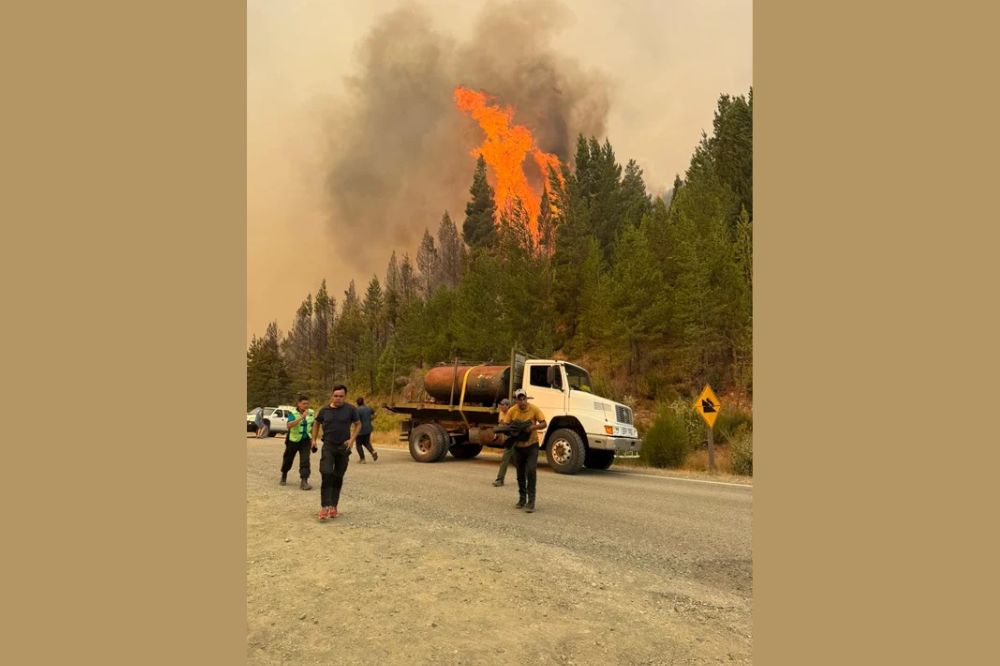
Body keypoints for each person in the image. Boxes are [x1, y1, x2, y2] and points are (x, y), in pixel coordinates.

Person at [311, 385, 360, 521]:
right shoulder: (324, 410)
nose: (338, 398)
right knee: (326, 473)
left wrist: (352, 440)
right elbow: (316, 423)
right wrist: (313, 439)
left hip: (343, 448)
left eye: (341, 396)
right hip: (329, 446)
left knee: (338, 476)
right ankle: (324, 506)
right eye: (336, 396)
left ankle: (333, 505)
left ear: (345, 396)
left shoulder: (350, 409)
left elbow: (358, 424)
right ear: (332, 396)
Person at [502, 388, 547, 513]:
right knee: (520, 473)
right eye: (519, 399)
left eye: (524, 398)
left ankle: (531, 501)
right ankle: (522, 499)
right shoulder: (512, 411)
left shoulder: (534, 409)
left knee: (531, 470)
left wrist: (532, 427)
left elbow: (544, 423)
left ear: (526, 398)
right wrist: (513, 431)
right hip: (518, 446)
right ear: (516, 400)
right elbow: (506, 425)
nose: (522, 401)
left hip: (532, 445)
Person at [280, 396, 315, 490]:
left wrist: (313, 440)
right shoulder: (293, 413)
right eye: (304, 403)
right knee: (288, 459)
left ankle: (304, 481)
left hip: (305, 440)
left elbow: (313, 426)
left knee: (305, 461)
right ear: (298, 404)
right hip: (293, 440)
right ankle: (284, 474)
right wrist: (301, 417)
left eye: (307, 403)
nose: (306, 405)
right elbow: (289, 425)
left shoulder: (311, 413)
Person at [492, 398, 513, 486]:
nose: (501, 406)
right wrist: (496, 434)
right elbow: (500, 425)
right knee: (505, 459)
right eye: (500, 404)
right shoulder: (501, 412)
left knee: (522, 460)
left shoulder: (512, 413)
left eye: (503, 405)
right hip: (508, 439)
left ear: (508, 406)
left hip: (515, 438)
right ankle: (500, 480)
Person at [355, 396, 379, 463]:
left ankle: (362, 459)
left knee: (358, 444)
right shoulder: (368, 408)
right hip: (368, 428)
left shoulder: (357, 410)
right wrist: (371, 418)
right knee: (366, 442)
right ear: (363, 401)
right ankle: (373, 452)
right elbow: (375, 413)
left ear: (357, 403)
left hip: (360, 430)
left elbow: (356, 420)